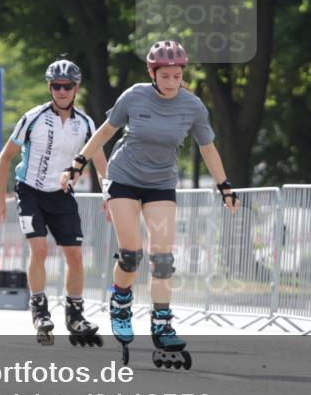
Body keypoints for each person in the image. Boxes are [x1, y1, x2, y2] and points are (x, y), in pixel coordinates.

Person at [61, 40, 239, 368]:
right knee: (131, 255)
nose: (172, 82)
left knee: (163, 259)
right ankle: (121, 302)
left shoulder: (193, 106)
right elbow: (105, 132)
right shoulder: (134, 96)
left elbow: (208, 149)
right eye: (166, 76)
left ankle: (162, 322)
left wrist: (224, 185)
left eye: (178, 76)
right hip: (124, 177)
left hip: (160, 183)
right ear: (152, 73)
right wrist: (78, 162)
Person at [0, 58, 109, 345]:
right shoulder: (33, 117)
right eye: (56, 86)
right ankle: (40, 309)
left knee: (75, 255)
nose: (61, 91)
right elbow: (5, 157)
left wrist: (108, 193)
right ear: (49, 87)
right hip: (29, 190)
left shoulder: (85, 122)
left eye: (67, 86)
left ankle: (75, 314)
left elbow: (98, 158)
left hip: (62, 193)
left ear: (76, 88)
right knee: (40, 249)